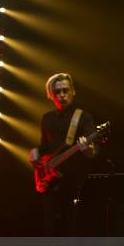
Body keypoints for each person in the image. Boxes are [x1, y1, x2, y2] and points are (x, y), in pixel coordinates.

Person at [30, 73, 98, 236]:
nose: (62, 95)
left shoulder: (83, 117)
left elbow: (94, 152)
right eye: (58, 92)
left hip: (74, 185)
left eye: (65, 90)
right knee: (51, 231)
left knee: (72, 231)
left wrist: (87, 148)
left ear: (73, 91)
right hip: (50, 184)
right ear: (51, 95)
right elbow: (45, 147)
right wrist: (35, 152)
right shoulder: (47, 118)